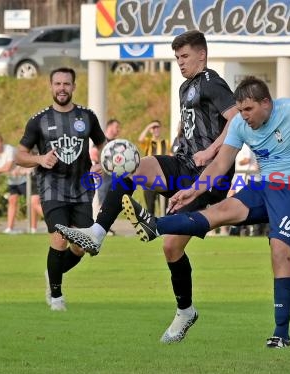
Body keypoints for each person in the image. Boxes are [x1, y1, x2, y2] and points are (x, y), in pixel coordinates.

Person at [120, 76, 290, 348]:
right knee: (220, 211)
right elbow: (220, 164)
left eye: (248, 109)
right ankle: (155, 225)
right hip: (265, 186)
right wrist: (193, 191)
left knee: (280, 252)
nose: (243, 116)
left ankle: (281, 333)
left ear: (266, 104)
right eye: (240, 110)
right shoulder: (238, 124)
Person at [55, 30, 239, 342]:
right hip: (183, 163)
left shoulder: (211, 80)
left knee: (171, 248)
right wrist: (183, 138)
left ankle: (185, 311)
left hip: (209, 175)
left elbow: (236, 119)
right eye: (177, 57)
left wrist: (211, 150)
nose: (180, 62)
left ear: (202, 56)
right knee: (130, 167)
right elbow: (191, 124)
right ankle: (97, 234)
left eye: (185, 57)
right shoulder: (185, 88)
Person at [15, 67, 106, 311]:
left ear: (74, 87)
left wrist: (102, 163)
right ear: (51, 86)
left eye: (67, 84)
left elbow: (103, 143)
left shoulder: (87, 116)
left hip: (83, 187)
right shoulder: (39, 120)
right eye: (57, 84)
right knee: (60, 238)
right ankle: (56, 297)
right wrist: (39, 159)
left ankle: (52, 272)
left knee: (82, 246)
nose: (62, 88)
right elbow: (19, 155)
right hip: (51, 189)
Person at [0, 134, 27, 234]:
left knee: (35, 203)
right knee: (12, 201)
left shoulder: (9, 149)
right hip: (12, 181)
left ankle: (52, 225)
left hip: (24, 179)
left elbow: (7, 168)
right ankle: (10, 228)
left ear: (2, 142)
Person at [89, 118, 121, 230]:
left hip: (112, 176)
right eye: (117, 127)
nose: (118, 130)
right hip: (102, 175)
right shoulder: (101, 140)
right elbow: (93, 154)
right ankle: (98, 225)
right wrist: (103, 164)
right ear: (110, 126)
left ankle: (104, 225)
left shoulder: (116, 143)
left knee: (110, 200)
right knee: (102, 200)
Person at [138, 120, 169, 215]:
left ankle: (164, 228)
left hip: (162, 178)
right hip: (148, 178)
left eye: (157, 127)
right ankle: (151, 228)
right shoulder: (148, 142)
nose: (156, 129)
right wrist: (149, 126)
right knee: (150, 207)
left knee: (164, 207)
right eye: (154, 128)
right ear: (151, 130)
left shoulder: (166, 142)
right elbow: (140, 139)